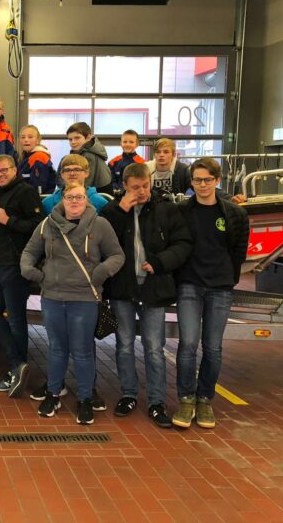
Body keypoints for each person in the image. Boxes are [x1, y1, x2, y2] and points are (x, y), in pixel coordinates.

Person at [20, 182, 124, 425]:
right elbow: (29, 252)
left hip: (84, 298)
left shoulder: (100, 225)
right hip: (52, 297)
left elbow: (117, 255)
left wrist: (99, 274)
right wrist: (31, 272)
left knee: (82, 350)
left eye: (79, 197)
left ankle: (85, 398)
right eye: (70, 197)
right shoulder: (47, 224)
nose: (74, 201)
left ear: (86, 200)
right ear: (62, 200)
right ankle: (53, 393)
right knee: (56, 348)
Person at [101, 163, 192, 428]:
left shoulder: (166, 209)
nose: (141, 192)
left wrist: (160, 262)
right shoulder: (113, 210)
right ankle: (128, 395)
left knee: (154, 347)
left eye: (145, 186)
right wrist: (121, 211)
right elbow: (102, 242)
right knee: (124, 344)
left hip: (154, 287)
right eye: (135, 188)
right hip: (123, 289)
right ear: (124, 187)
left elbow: (183, 243)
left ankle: (156, 401)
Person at [172, 158, 249, 430]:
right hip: (189, 285)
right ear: (191, 182)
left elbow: (239, 250)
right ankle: (186, 399)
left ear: (217, 180)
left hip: (220, 287)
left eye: (207, 179)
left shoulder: (234, 213)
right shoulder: (182, 211)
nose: (202, 185)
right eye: (197, 180)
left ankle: (205, 399)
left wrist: (228, 277)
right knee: (188, 345)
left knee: (213, 348)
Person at [0, 154, 43, 397]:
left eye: (4, 170)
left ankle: (16, 369)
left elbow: (39, 225)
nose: (0, 174)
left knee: (16, 320)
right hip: (1, 265)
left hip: (16, 265)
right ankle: (18, 365)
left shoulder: (25, 192)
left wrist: (9, 220)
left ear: (14, 169)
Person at [43, 155, 109, 215]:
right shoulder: (47, 203)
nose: (72, 173)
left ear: (86, 173)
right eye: (67, 170)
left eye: (77, 170)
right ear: (62, 174)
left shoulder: (100, 203)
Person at [67, 122, 112, 194]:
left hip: (98, 194)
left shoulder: (88, 155)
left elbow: (85, 182)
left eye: (77, 138)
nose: (73, 142)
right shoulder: (88, 151)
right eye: (70, 139)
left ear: (88, 137)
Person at [17, 124, 56, 195]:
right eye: (23, 137)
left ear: (38, 140)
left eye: (30, 137)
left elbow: (39, 187)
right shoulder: (26, 157)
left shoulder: (39, 157)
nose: (26, 140)